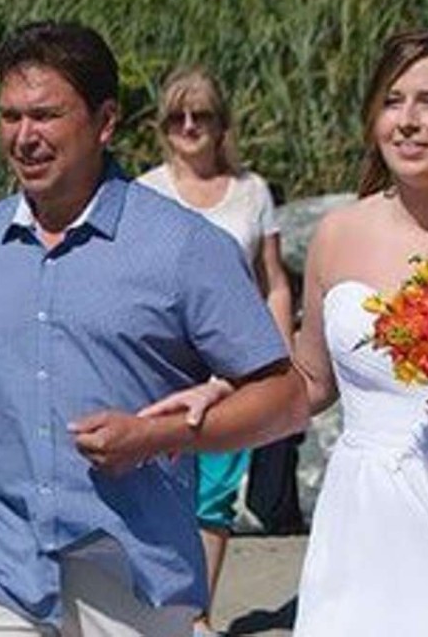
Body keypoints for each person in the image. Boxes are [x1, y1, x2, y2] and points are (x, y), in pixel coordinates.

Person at [0, 21, 307, 637]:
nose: (23, 137)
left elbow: (286, 400)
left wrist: (155, 435)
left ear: (105, 121)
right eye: (10, 117)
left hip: (136, 577)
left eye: (46, 115)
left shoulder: (184, 247)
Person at [290, 24, 428, 635]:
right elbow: (309, 383)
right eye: (392, 101)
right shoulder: (337, 233)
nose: (406, 120)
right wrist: (219, 397)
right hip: (362, 521)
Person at [137, 66, 294, 636]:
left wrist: (279, 360)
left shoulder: (253, 193)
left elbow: (273, 281)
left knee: (216, 495)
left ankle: (200, 615)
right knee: (159, 485)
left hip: (233, 365)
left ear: (220, 123)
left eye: (200, 115)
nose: (188, 126)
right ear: (162, 125)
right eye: (177, 115)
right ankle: (159, 611)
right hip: (164, 364)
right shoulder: (145, 190)